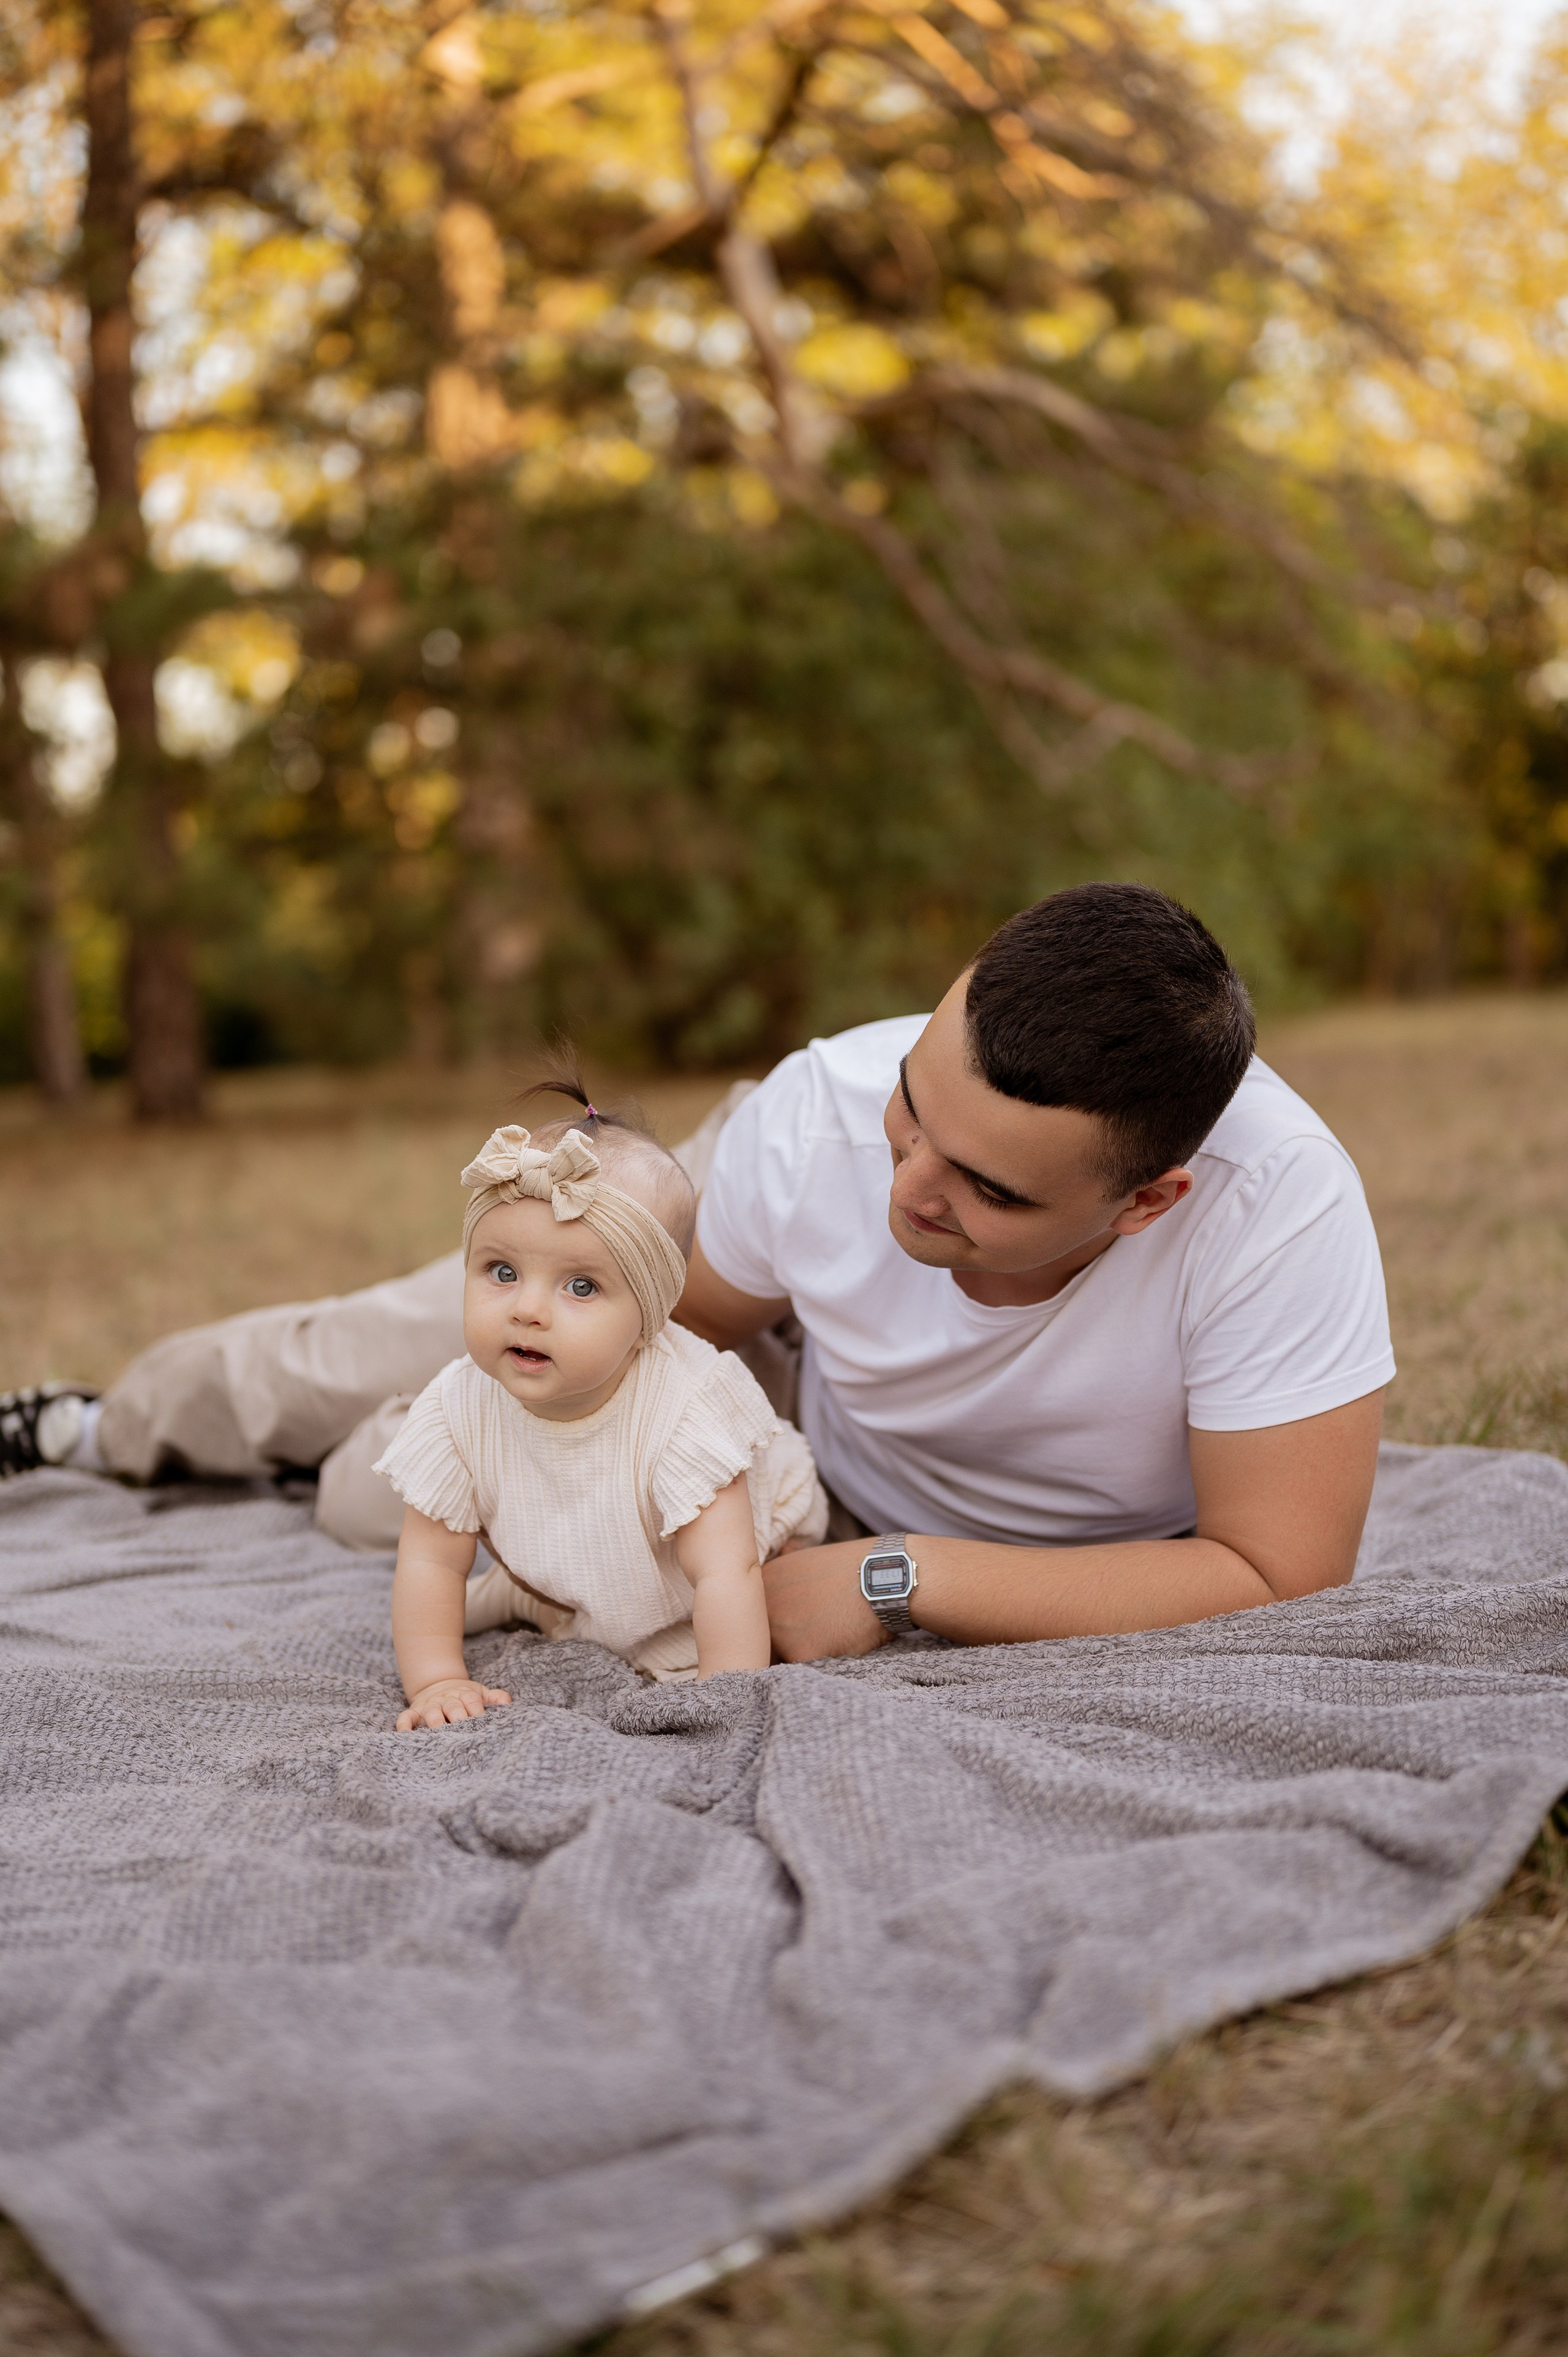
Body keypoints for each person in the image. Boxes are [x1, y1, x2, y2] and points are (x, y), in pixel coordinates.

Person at [2, 885, 1393, 1665]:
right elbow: (679, 1329)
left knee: (375, 1494)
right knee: (380, 1349)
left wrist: (889, 1577)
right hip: (765, 1352)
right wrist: (542, 1387)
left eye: (986, 1189)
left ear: (1148, 1199)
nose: (906, 1188)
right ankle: (89, 1424)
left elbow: (1276, 1564)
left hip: (832, 1491)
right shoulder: (827, 1111)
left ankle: (334, 1466)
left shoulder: (1272, 1214)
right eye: (918, 1108)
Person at [379, 1092, 826, 1721]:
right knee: (495, 1586)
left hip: (750, 1556)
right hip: (581, 1552)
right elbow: (428, 1558)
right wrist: (437, 1680)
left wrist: (725, 1698)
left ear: (648, 1318)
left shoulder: (683, 1408)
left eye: (580, 1286)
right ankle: (542, 1597)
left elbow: (728, 1572)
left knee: (775, 1606)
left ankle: (552, 1603)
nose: (527, 1308)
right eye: (501, 1271)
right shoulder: (458, 1406)